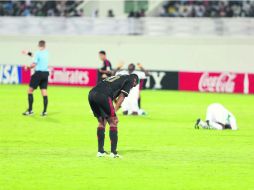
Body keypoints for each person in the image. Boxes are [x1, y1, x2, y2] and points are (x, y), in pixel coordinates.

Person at [88, 74, 139, 158]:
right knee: (114, 121)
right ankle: (113, 153)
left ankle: (100, 152)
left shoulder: (119, 77)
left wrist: (114, 106)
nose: (132, 87)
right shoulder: (130, 80)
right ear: (135, 80)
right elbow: (122, 96)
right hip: (103, 95)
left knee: (101, 122)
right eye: (134, 85)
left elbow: (112, 91)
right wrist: (114, 112)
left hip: (92, 94)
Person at [22, 40, 49, 116]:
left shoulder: (38, 53)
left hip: (38, 73)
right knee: (44, 92)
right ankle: (44, 112)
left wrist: (28, 67)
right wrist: (28, 53)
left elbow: (34, 64)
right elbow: (36, 56)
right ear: (44, 46)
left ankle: (30, 111)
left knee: (29, 91)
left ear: (38, 45)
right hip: (45, 74)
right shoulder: (46, 52)